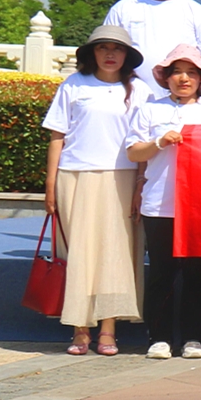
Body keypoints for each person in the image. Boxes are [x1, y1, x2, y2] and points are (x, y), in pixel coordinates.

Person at [41, 24, 147, 356]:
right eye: (103, 48)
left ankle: (109, 330)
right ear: (92, 53)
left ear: (127, 55)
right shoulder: (74, 84)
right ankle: (80, 329)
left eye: (117, 49)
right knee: (80, 253)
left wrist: (140, 184)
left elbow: (144, 143)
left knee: (114, 254)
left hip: (122, 178)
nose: (110, 54)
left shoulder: (139, 90)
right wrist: (50, 183)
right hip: (75, 176)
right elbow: (57, 135)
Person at [127, 44, 201, 360]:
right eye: (177, 72)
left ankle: (193, 338)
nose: (183, 79)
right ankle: (159, 337)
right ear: (166, 78)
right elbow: (134, 152)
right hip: (160, 203)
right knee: (161, 272)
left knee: (196, 273)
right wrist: (160, 142)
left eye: (190, 73)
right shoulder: (151, 110)